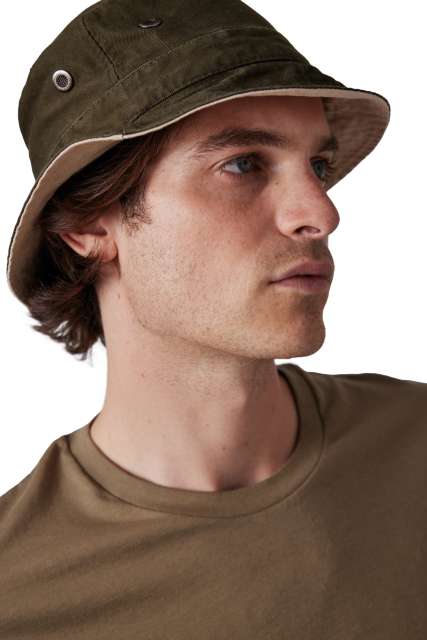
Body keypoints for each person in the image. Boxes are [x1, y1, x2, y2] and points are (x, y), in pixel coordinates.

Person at [2, 1, 426, 638]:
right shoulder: (18, 593)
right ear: (88, 224)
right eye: (244, 164)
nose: (321, 213)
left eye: (318, 166)